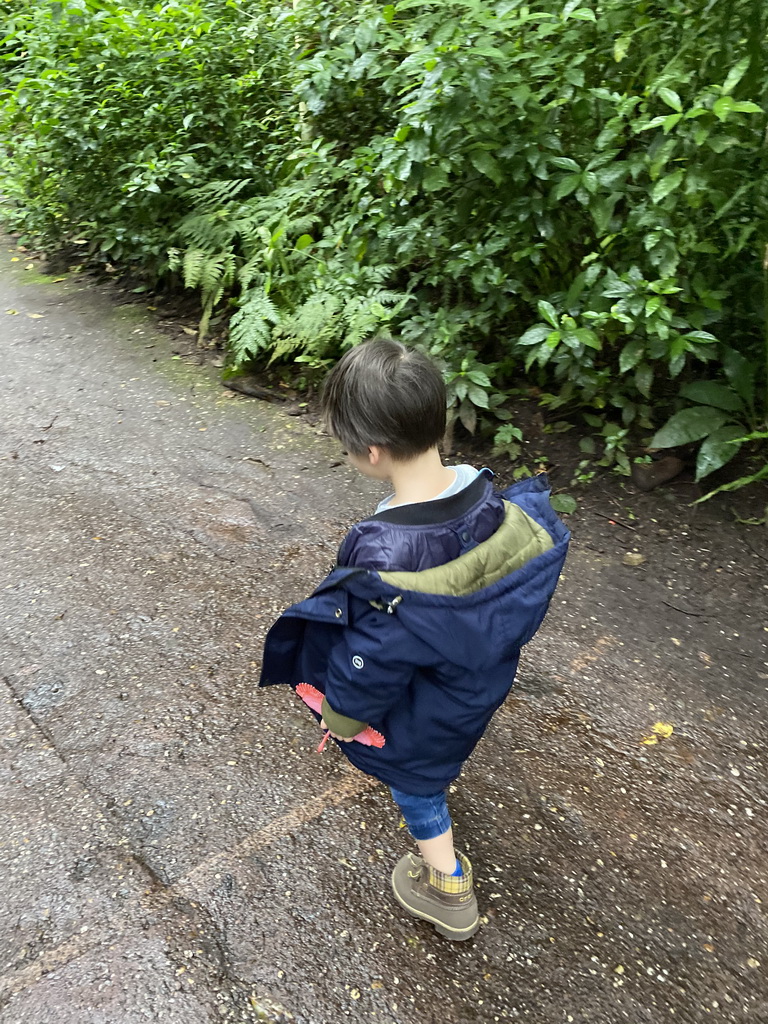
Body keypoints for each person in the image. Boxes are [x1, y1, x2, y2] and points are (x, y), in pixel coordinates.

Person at [260, 338, 569, 940]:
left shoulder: (386, 561)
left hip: (427, 706)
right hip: (474, 680)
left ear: (371, 452)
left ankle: (448, 887)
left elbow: (369, 658)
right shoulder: (485, 493)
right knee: (431, 763)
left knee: (417, 783)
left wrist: (342, 716)